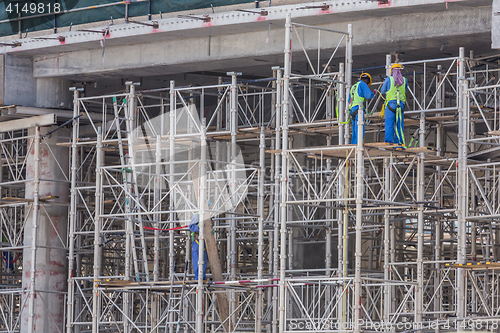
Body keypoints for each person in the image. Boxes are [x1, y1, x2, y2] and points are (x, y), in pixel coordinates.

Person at [380, 63, 408, 145]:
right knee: (399, 124)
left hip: (391, 105)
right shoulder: (404, 80)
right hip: (401, 105)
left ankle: (388, 142)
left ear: (392, 71)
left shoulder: (389, 79)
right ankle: (399, 142)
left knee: (389, 124)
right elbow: (405, 88)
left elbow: (382, 91)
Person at [348, 73, 375, 144]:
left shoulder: (354, 86)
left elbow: (349, 100)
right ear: (367, 80)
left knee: (354, 130)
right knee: (360, 128)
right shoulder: (363, 84)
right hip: (358, 109)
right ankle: (359, 146)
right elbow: (368, 95)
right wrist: (373, 93)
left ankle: (353, 146)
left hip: (352, 110)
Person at [189, 213, 208, 281]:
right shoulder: (197, 216)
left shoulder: (208, 216)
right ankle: (198, 278)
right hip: (197, 241)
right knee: (197, 260)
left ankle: (202, 277)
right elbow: (191, 227)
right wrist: (198, 227)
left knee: (204, 260)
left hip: (205, 241)